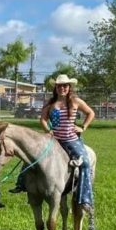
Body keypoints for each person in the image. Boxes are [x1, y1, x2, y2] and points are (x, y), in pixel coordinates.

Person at [39, 74, 95, 212]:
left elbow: (90, 113)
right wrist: (48, 130)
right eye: (59, 86)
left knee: (86, 163)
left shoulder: (75, 101)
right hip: (54, 140)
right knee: (33, 157)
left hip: (71, 140)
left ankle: (84, 199)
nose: (62, 88)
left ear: (69, 87)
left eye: (65, 85)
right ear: (55, 88)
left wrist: (83, 127)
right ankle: (22, 184)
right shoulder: (50, 103)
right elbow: (43, 119)